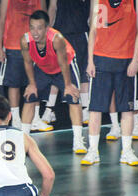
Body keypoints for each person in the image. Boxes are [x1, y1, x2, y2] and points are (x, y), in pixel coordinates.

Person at [81, 0, 138, 166]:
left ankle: (127, 151)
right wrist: (90, 61)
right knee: (95, 108)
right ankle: (93, 151)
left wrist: (135, 60)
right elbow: (93, 30)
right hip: (101, 59)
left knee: (127, 108)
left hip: (126, 60)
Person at [21, 10, 87, 154]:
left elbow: (63, 63)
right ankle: (23, 141)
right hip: (43, 68)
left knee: (73, 97)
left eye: (39, 28)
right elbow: (27, 63)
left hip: (65, 66)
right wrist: (32, 84)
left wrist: (68, 85)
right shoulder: (25, 40)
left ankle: (78, 141)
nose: (35, 32)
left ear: (47, 28)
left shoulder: (57, 39)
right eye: (32, 27)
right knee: (30, 96)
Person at [0, 0, 49, 131]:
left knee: (36, 83)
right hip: (13, 44)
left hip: (35, 45)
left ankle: (35, 118)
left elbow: (44, 21)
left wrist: (46, 44)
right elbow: (1, 20)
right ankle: (15, 120)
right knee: (14, 84)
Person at [42, 0, 91, 126]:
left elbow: (92, 13)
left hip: (81, 33)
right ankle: (49, 109)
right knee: (57, 72)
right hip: (61, 34)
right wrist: (47, 31)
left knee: (83, 72)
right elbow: (52, 8)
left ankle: (86, 109)